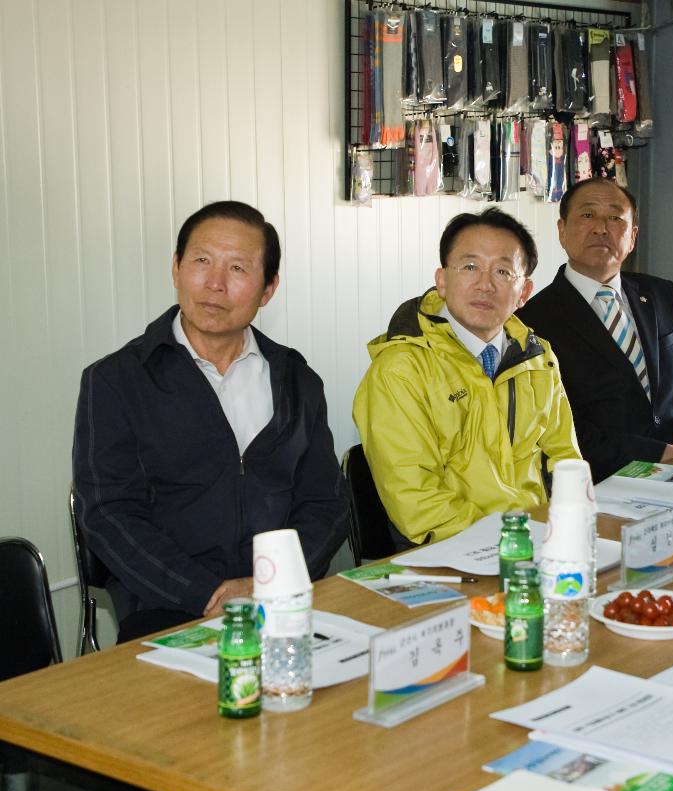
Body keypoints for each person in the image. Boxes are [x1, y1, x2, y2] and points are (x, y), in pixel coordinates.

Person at [72, 201, 349, 642]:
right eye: (201, 261)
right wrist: (208, 594)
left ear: (268, 288)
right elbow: (109, 513)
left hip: (282, 601)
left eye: (238, 268)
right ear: (176, 267)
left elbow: (326, 503)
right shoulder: (116, 380)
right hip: (167, 610)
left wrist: (270, 584)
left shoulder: (296, 378)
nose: (215, 284)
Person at [353, 207, 580, 546]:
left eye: (503, 271)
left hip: (538, 541)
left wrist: (570, 528)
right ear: (442, 280)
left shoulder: (538, 358)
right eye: (470, 267)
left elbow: (565, 463)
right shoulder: (401, 369)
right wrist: (516, 542)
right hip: (450, 551)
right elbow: (417, 502)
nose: (485, 284)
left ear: (524, 293)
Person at [517, 178, 673, 481]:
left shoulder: (663, 294)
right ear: (561, 230)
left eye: (615, 218)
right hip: (602, 479)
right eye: (587, 215)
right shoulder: (532, 320)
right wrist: (656, 454)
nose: (601, 227)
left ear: (633, 237)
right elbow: (556, 424)